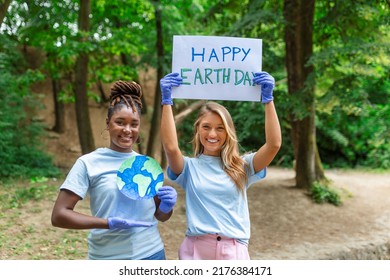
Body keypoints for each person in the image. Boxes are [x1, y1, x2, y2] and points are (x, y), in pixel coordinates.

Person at [160, 71, 281, 260]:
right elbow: (170, 147)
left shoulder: (243, 166)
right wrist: (166, 102)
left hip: (233, 251)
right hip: (195, 251)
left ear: (228, 132)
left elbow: (273, 145)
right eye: (206, 127)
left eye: (220, 128)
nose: (212, 134)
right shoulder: (189, 168)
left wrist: (268, 101)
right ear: (198, 129)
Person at [51, 80, 177, 260]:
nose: (127, 130)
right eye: (120, 122)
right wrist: (107, 223)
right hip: (107, 257)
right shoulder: (88, 163)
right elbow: (59, 215)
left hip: (151, 254)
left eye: (134, 124)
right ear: (108, 122)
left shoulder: (146, 165)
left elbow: (160, 216)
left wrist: (167, 206)